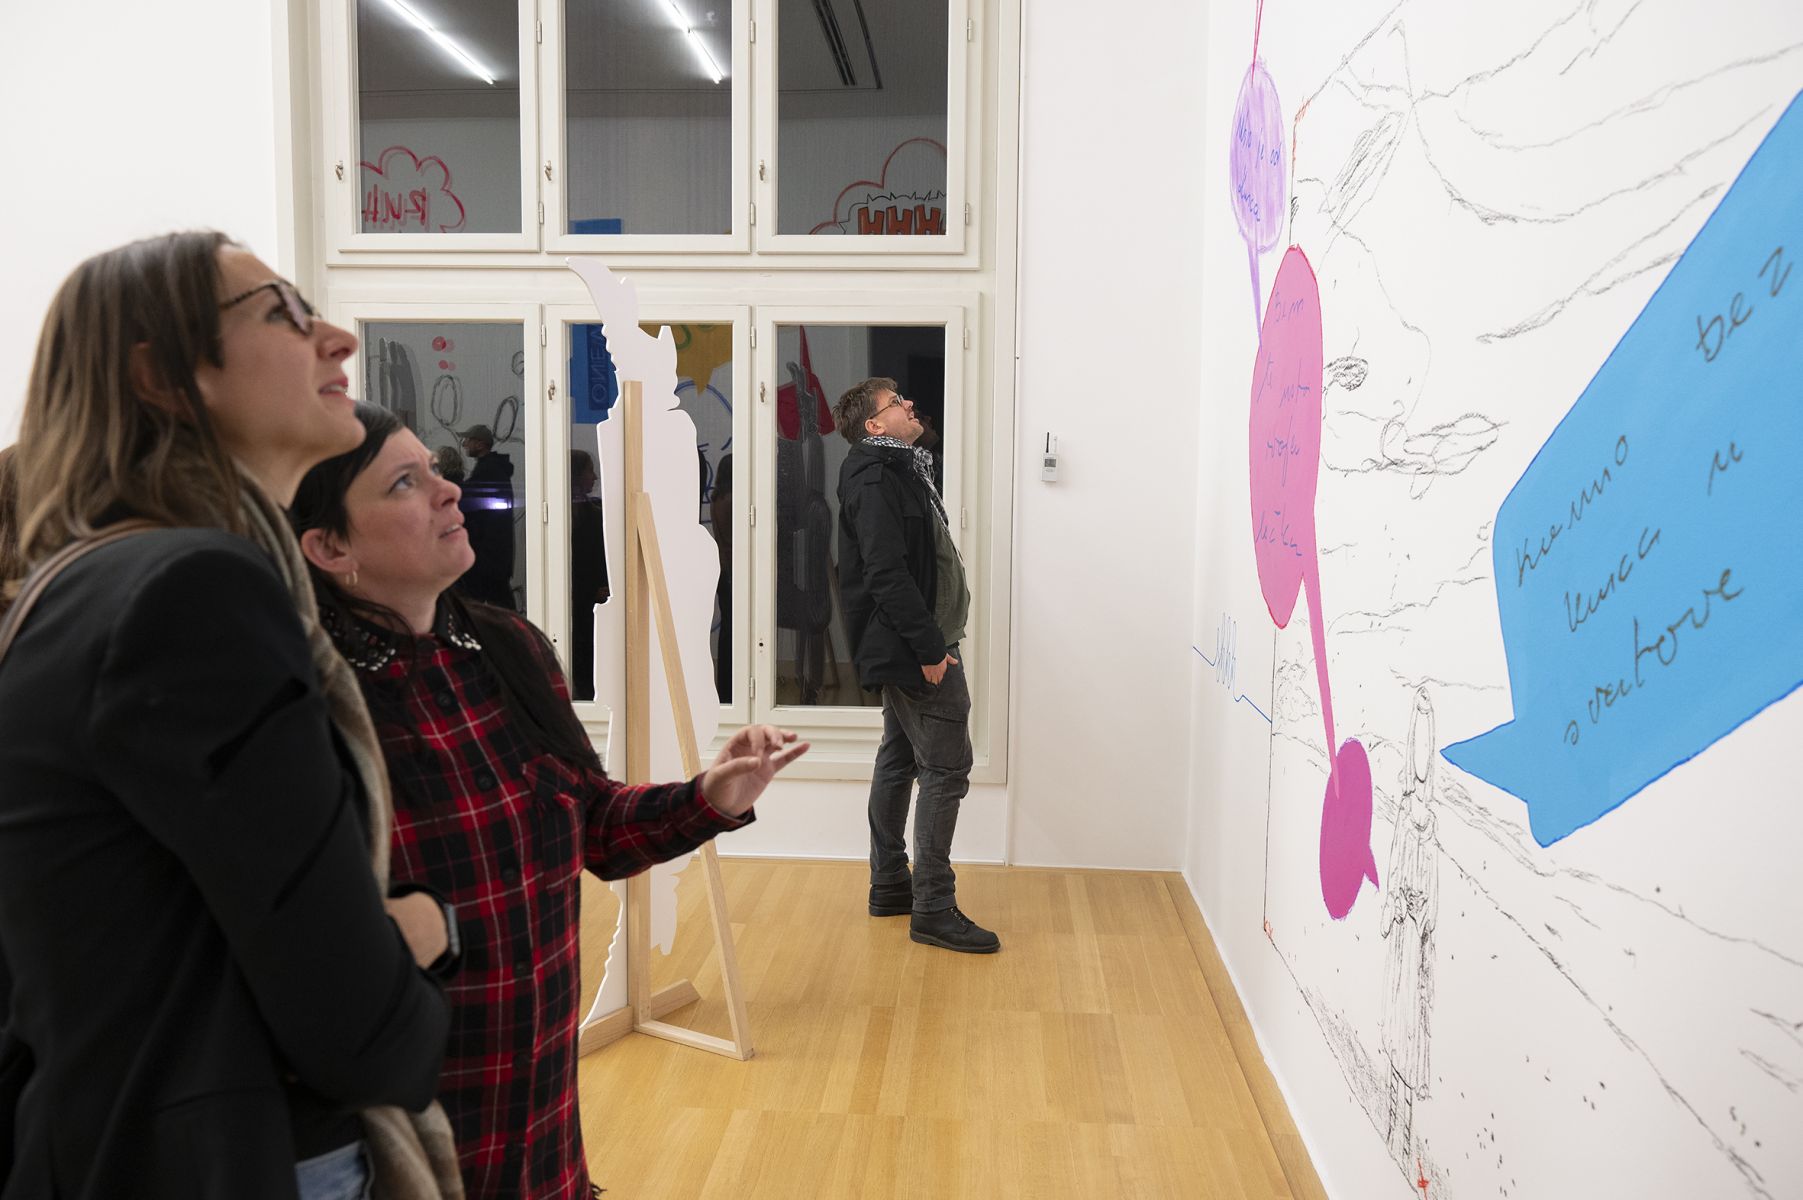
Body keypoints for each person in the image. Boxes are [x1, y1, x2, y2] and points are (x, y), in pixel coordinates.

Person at [0, 232, 454, 1200]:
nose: (336, 337)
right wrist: (427, 932)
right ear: (161, 376)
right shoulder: (192, 591)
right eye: (282, 314)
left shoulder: (95, 581)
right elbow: (354, 1024)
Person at [292, 403, 808, 1200]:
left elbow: (592, 825)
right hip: (407, 1149)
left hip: (540, 1137)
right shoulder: (308, 703)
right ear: (330, 547)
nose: (447, 491)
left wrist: (709, 795)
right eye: (403, 483)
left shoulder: (508, 649)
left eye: (433, 470)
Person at [832, 377, 996, 954]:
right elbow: (886, 572)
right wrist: (929, 649)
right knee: (946, 771)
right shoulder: (875, 477)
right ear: (875, 425)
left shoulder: (898, 468)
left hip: (918, 643)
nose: (908, 404)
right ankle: (932, 906)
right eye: (895, 402)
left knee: (899, 758)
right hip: (919, 650)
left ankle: (889, 883)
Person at [1380, 686, 1441, 1171]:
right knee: (1397, 1026)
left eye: (1426, 743)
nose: (1420, 756)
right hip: (1403, 936)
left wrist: (1421, 915)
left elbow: (1431, 888)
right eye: (1415, 741)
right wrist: (1398, 906)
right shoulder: (1405, 814)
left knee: (1411, 1033)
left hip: (1415, 940)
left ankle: (1404, 1129)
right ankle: (1392, 1119)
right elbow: (1395, 869)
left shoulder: (1430, 822)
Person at [453, 422, 515, 609]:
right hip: (494, 552)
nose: (464, 445)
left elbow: (470, 502)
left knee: (491, 604)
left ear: (480, 444)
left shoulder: (487, 471)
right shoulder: (493, 469)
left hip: (488, 553)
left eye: (468, 440)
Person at [569, 448, 608, 702]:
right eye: (589, 470)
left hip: (589, 592)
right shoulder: (582, 514)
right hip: (585, 594)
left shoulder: (590, 511)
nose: (594, 477)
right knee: (585, 648)